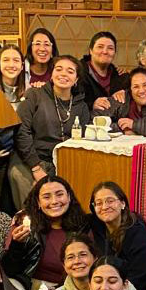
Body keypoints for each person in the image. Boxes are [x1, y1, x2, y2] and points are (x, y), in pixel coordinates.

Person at [11, 55, 91, 203]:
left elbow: (84, 140)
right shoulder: (35, 95)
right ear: (52, 74)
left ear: (76, 79)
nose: (63, 74)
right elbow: (22, 132)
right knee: (32, 195)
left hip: (64, 161)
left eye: (70, 71)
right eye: (58, 69)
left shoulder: (81, 106)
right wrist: (36, 168)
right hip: (32, 159)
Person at [3, 175, 90, 290]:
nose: (54, 201)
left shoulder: (84, 226)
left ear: (69, 197)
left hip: (73, 287)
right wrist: (17, 245)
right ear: (38, 202)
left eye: (59, 195)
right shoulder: (25, 224)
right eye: (46, 197)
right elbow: (8, 271)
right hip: (33, 289)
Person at [88, 182, 146, 290]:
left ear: (123, 203)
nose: (104, 207)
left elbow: (139, 278)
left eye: (110, 201)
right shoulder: (95, 228)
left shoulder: (139, 235)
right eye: (99, 203)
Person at [47, 235, 133, 290]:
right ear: (64, 265)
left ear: (95, 258)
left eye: (83, 255)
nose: (77, 261)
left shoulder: (121, 284)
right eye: (70, 257)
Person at [97, 67, 146, 136]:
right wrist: (123, 129)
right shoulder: (120, 99)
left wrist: (133, 125)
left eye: (145, 85)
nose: (141, 91)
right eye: (136, 87)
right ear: (130, 90)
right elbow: (95, 122)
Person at [79, 32, 127, 110]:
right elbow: (70, 102)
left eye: (110, 48)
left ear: (115, 53)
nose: (105, 51)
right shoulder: (78, 73)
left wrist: (125, 92)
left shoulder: (119, 75)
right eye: (100, 47)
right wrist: (91, 105)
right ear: (91, 50)